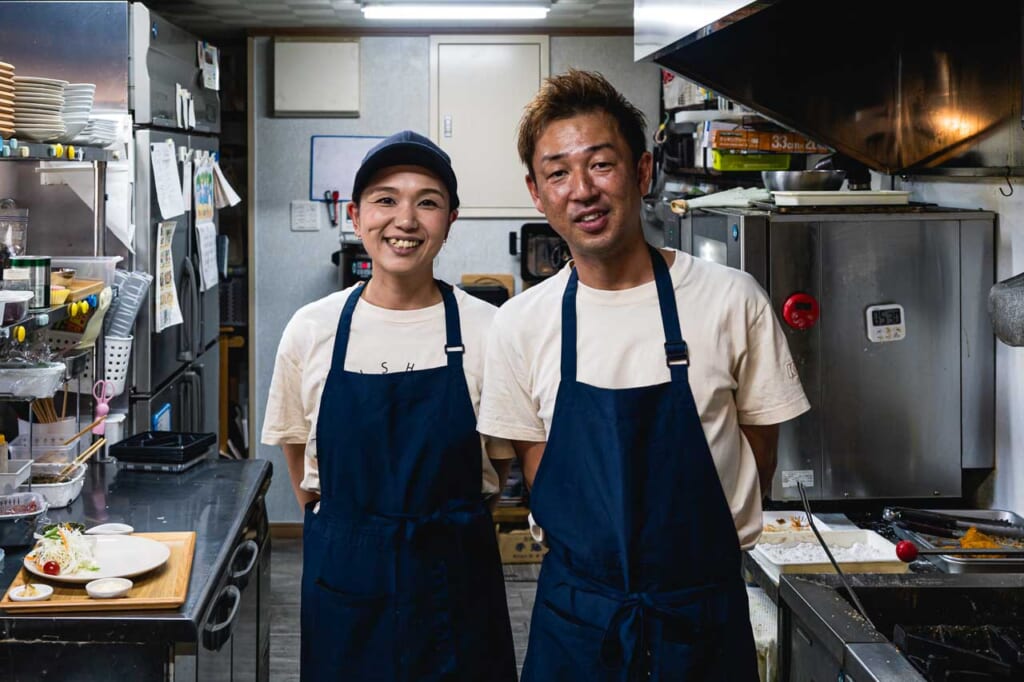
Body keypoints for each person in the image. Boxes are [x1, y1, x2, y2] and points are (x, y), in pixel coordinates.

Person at [477, 70, 811, 680]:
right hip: (578, 624)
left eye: (601, 164)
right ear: (537, 192)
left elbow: (757, 458)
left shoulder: (731, 300)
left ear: (642, 172)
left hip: (702, 619)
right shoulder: (521, 325)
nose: (581, 190)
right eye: (558, 172)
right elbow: (541, 472)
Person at [262, 130, 518, 681]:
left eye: (427, 201)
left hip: (456, 583)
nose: (405, 219)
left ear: (451, 220)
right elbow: (302, 469)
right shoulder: (312, 329)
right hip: (347, 584)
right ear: (356, 217)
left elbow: (498, 463)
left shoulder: (489, 329)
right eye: (385, 200)